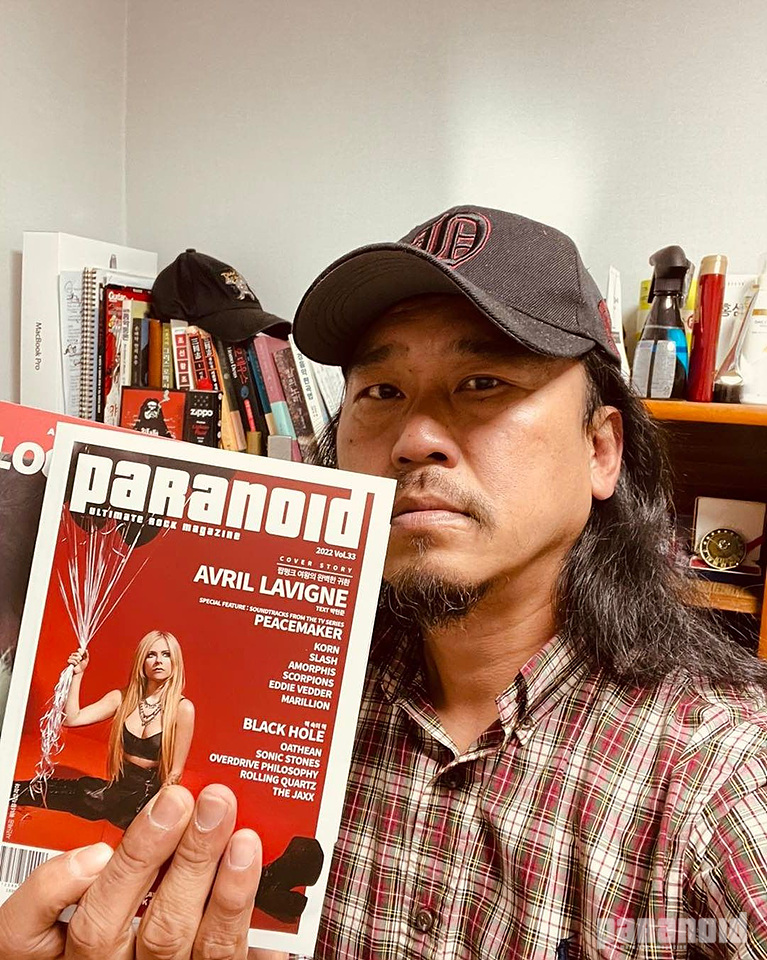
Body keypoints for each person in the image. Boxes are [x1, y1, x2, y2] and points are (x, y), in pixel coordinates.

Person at [2, 205, 767, 960]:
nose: (414, 439)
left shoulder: (718, 780)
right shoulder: (282, 717)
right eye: (381, 393)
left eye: (481, 382)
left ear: (600, 450)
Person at [14, 629, 195, 829]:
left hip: (146, 801)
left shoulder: (182, 709)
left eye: (166, 654)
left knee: (88, 794)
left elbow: (174, 775)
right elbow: (72, 719)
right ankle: (10, 789)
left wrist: (157, 816)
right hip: (116, 791)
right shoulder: (122, 698)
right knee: (77, 790)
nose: (158, 661)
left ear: (175, 662)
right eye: (151, 655)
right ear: (142, 661)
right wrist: (78, 674)